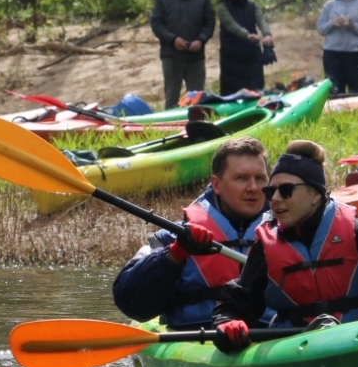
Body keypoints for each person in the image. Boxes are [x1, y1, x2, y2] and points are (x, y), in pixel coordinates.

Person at [210, 140, 358, 351]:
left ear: (315, 195)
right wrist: (228, 322)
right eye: (271, 191)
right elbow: (238, 301)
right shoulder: (267, 245)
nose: (275, 199)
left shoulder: (354, 231)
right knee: (324, 325)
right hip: (299, 345)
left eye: (286, 190)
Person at [112, 137, 274, 330]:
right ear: (216, 184)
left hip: (270, 336)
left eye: (260, 178)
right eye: (241, 178)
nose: (253, 188)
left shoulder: (288, 235)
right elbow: (130, 303)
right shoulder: (172, 238)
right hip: (196, 335)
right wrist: (175, 255)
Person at [150, 0, 215, 109]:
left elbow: (210, 23)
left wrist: (201, 40)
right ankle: (171, 127)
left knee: (197, 98)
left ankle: (198, 127)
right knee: (172, 98)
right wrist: (173, 40)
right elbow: (156, 24)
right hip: (172, 56)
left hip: (195, 56)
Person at [216, 0, 276, 95]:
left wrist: (267, 35)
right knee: (232, 91)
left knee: (255, 88)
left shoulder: (252, 5)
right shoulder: (223, 7)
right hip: (231, 56)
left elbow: (261, 21)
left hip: (252, 54)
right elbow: (231, 26)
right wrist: (248, 35)